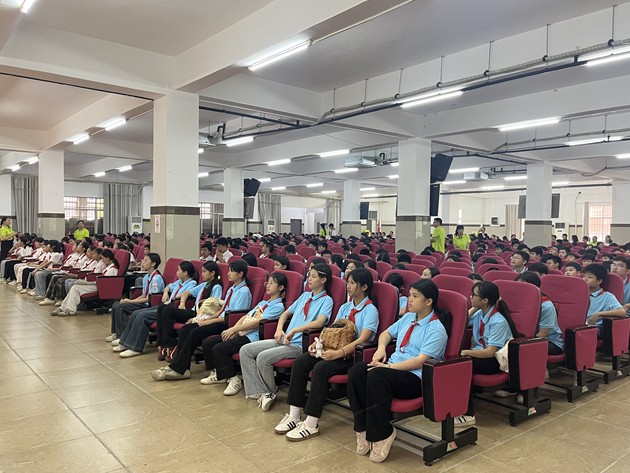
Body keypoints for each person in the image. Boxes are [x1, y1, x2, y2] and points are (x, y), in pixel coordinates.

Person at [347, 279, 449, 463]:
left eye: (415, 296)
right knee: (357, 371)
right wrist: (381, 349)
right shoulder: (409, 318)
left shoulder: (436, 329)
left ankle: (382, 433)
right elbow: (386, 334)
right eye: (409, 295)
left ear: (429, 301)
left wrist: (388, 367)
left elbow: (420, 361)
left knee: (377, 376)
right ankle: (362, 427)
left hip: (415, 378)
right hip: (392, 369)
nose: (409, 300)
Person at [275, 269, 379, 441]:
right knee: (301, 362)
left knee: (321, 368)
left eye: (352, 283)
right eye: (348, 282)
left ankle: (311, 424)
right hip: (333, 350)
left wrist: (338, 353)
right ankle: (294, 415)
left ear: (365, 287)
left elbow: (363, 339)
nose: (348, 286)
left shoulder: (370, 310)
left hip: (352, 356)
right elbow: (331, 330)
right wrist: (317, 344)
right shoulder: (345, 307)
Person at [240, 264, 333, 411]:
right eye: (309, 276)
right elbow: (285, 313)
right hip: (285, 339)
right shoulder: (305, 296)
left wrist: (296, 329)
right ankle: (260, 391)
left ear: (323, 280)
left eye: (313, 277)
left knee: (263, 357)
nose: (309, 279)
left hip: (299, 344)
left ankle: (269, 392)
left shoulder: (327, 300)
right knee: (245, 350)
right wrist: (279, 329)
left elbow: (320, 322)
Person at [185, 272, 288, 392]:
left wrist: (236, 329)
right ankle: (220, 373)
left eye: (271, 283)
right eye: (267, 283)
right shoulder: (263, 303)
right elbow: (246, 316)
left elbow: (258, 322)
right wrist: (233, 329)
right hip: (242, 331)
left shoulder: (278, 307)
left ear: (281, 287)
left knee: (220, 348)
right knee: (208, 342)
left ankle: (234, 379)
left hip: (253, 336)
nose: (268, 286)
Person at [152, 260, 252, 377]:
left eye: (231, 271)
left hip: (227, 324)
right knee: (186, 329)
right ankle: (180, 366)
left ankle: (179, 369)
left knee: (195, 333)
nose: (228, 273)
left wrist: (209, 321)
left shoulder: (244, 291)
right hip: (218, 319)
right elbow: (222, 310)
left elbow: (233, 317)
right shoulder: (232, 288)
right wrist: (205, 320)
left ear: (240, 274)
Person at [456, 281, 520, 427]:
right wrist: (474, 307)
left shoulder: (498, 321)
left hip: (494, 360)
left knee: (461, 366)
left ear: (485, 300)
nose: (470, 297)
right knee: (457, 363)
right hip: (480, 354)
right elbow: (461, 321)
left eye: (474, 295)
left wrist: (464, 352)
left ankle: (468, 413)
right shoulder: (480, 313)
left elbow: (490, 352)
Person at [113, 261, 197, 357]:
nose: (176, 272)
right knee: (136, 313)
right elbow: (168, 287)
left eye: (178, 270)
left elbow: (187, 294)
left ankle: (135, 347)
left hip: (172, 309)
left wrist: (176, 299)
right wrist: (165, 292)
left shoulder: (192, 283)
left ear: (185, 273)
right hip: (164, 305)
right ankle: (125, 342)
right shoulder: (179, 282)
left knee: (142, 316)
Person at [155, 260, 223, 360]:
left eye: (204, 271)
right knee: (164, 309)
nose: (202, 274)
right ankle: (166, 344)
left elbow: (214, 307)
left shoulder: (217, 287)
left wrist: (197, 319)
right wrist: (182, 303)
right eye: (202, 271)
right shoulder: (204, 285)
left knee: (168, 311)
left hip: (201, 315)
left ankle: (171, 345)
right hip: (193, 311)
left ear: (212, 273)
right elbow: (186, 293)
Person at [106, 253, 165, 344]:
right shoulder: (146, 277)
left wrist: (130, 302)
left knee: (120, 307)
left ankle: (123, 336)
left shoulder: (156, 278)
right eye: (143, 260)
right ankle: (117, 333)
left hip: (150, 305)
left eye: (146, 261)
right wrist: (131, 301)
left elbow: (151, 299)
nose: (143, 262)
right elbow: (144, 294)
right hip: (144, 302)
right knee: (116, 305)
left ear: (153, 264)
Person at [52, 248, 119, 316]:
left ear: (108, 258)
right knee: (74, 287)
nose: (102, 261)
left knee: (75, 288)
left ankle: (69, 310)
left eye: (103, 258)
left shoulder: (113, 269)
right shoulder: (109, 267)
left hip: (101, 287)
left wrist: (87, 282)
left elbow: (105, 282)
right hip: (98, 285)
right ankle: (64, 308)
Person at [515, 272, 563, 355]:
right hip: (522, 338)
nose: (520, 290)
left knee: (515, 350)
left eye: (524, 286)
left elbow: (542, 334)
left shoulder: (546, 306)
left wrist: (521, 343)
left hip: (549, 341)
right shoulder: (516, 301)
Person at [583, 264, 625, 335]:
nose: (585, 279)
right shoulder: (580, 294)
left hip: (594, 328)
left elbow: (622, 312)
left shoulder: (607, 297)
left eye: (589, 277)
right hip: (578, 325)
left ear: (599, 281)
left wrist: (599, 314)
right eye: (584, 276)